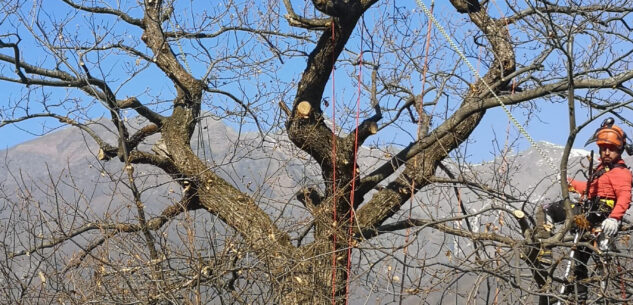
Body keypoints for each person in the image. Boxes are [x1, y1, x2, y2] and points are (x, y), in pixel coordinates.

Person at [563, 118, 632, 303]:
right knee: (579, 258)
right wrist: (568, 183)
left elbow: (625, 197)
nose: (606, 152)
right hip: (589, 215)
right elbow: (590, 189)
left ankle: (600, 297)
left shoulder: (621, 173)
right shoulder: (602, 170)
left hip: (602, 217)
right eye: (603, 148)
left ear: (619, 150)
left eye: (611, 149)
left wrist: (615, 218)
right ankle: (581, 298)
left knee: (596, 259)